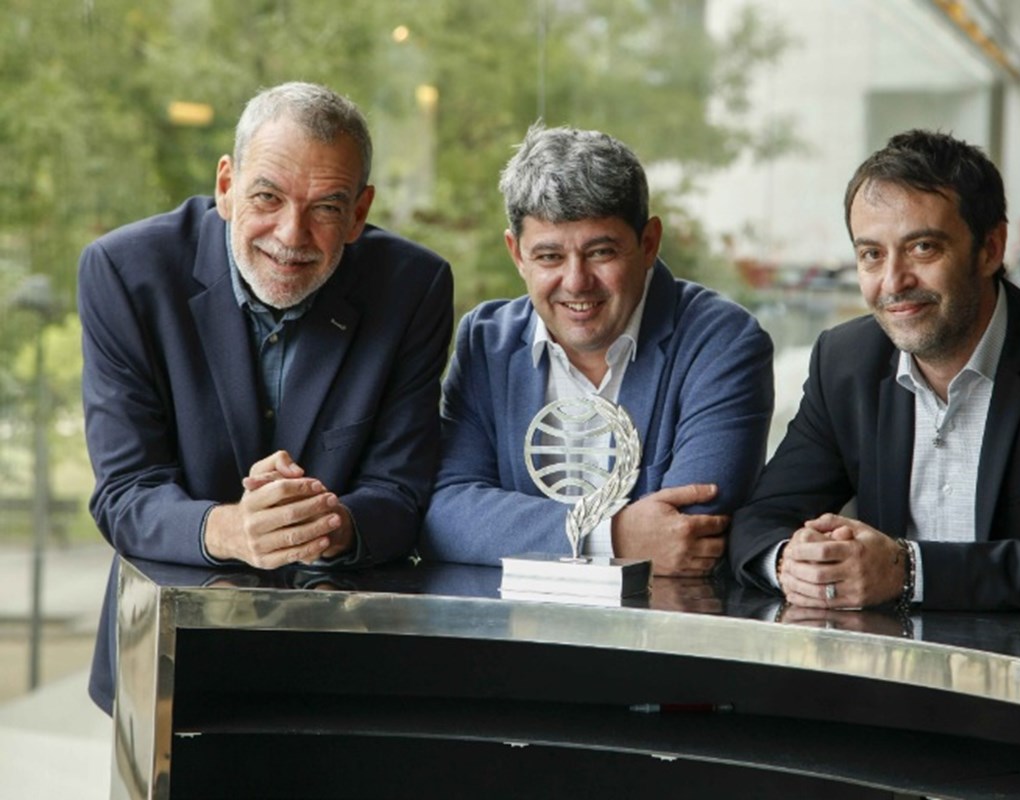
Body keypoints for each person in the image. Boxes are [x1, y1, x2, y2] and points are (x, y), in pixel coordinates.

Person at [79, 82, 453, 711]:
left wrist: (322, 522)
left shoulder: (413, 287)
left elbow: (402, 492)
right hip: (167, 660)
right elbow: (125, 492)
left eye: (326, 207)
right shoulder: (124, 273)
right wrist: (230, 528)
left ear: (359, 212)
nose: (291, 233)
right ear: (226, 185)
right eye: (267, 197)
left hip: (347, 662)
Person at [729, 129, 1020, 614]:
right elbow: (762, 518)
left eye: (923, 248)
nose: (893, 282)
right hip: (890, 654)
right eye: (872, 254)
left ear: (990, 248)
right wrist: (791, 562)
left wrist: (908, 572)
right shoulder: (844, 361)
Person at [420, 124, 774, 576]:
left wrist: (522, 530)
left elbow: (690, 532)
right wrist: (609, 534)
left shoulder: (722, 342)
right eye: (549, 257)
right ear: (517, 254)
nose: (576, 282)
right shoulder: (487, 342)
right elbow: (444, 515)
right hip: (514, 617)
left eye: (601, 252)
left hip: (662, 619)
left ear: (649, 243)